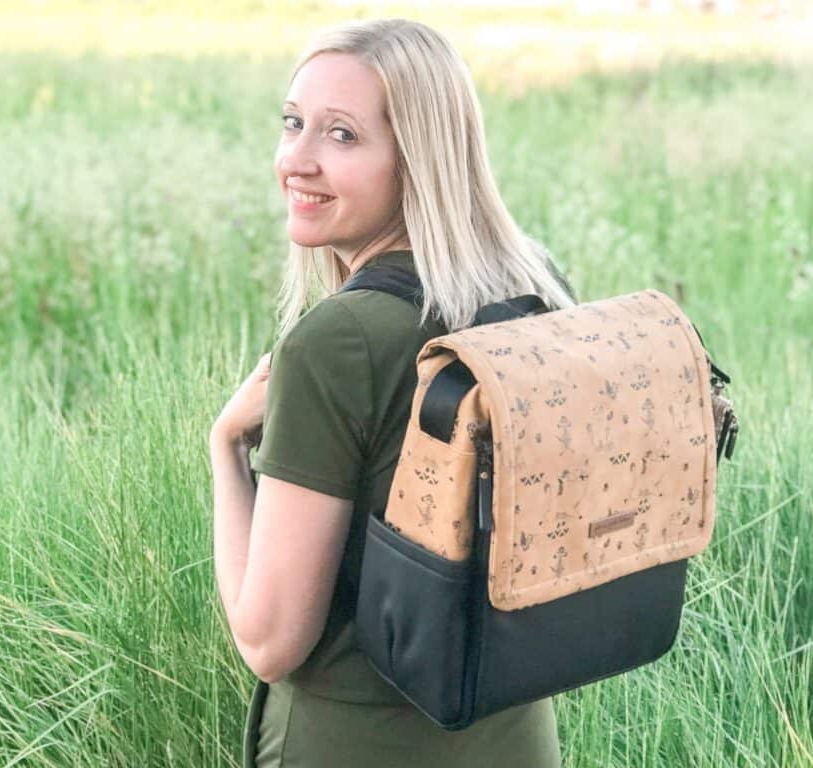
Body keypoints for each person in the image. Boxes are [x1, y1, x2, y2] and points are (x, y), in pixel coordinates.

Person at [208, 17, 578, 768]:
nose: (296, 161)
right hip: (515, 738)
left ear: (419, 162)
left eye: (341, 136)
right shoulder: (533, 297)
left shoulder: (336, 344)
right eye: (292, 124)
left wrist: (223, 448)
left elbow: (268, 641)